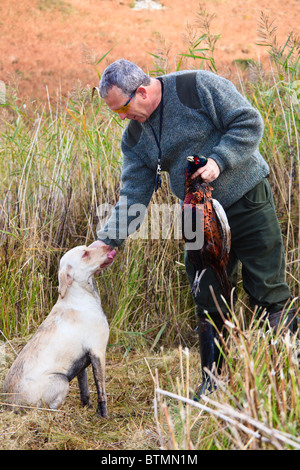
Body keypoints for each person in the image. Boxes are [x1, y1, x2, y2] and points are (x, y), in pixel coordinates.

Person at [95, 59, 297, 397]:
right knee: (207, 296)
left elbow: (248, 122)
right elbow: (133, 193)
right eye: (116, 113)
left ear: (142, 91)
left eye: (124, 109)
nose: (122, 118)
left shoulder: (197, 87)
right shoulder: (134, 137)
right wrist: (107, 241)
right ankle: (214, 384)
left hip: (246, 196)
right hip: (193, 213)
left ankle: (290, 377)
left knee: (268, 289)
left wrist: (219, 159)